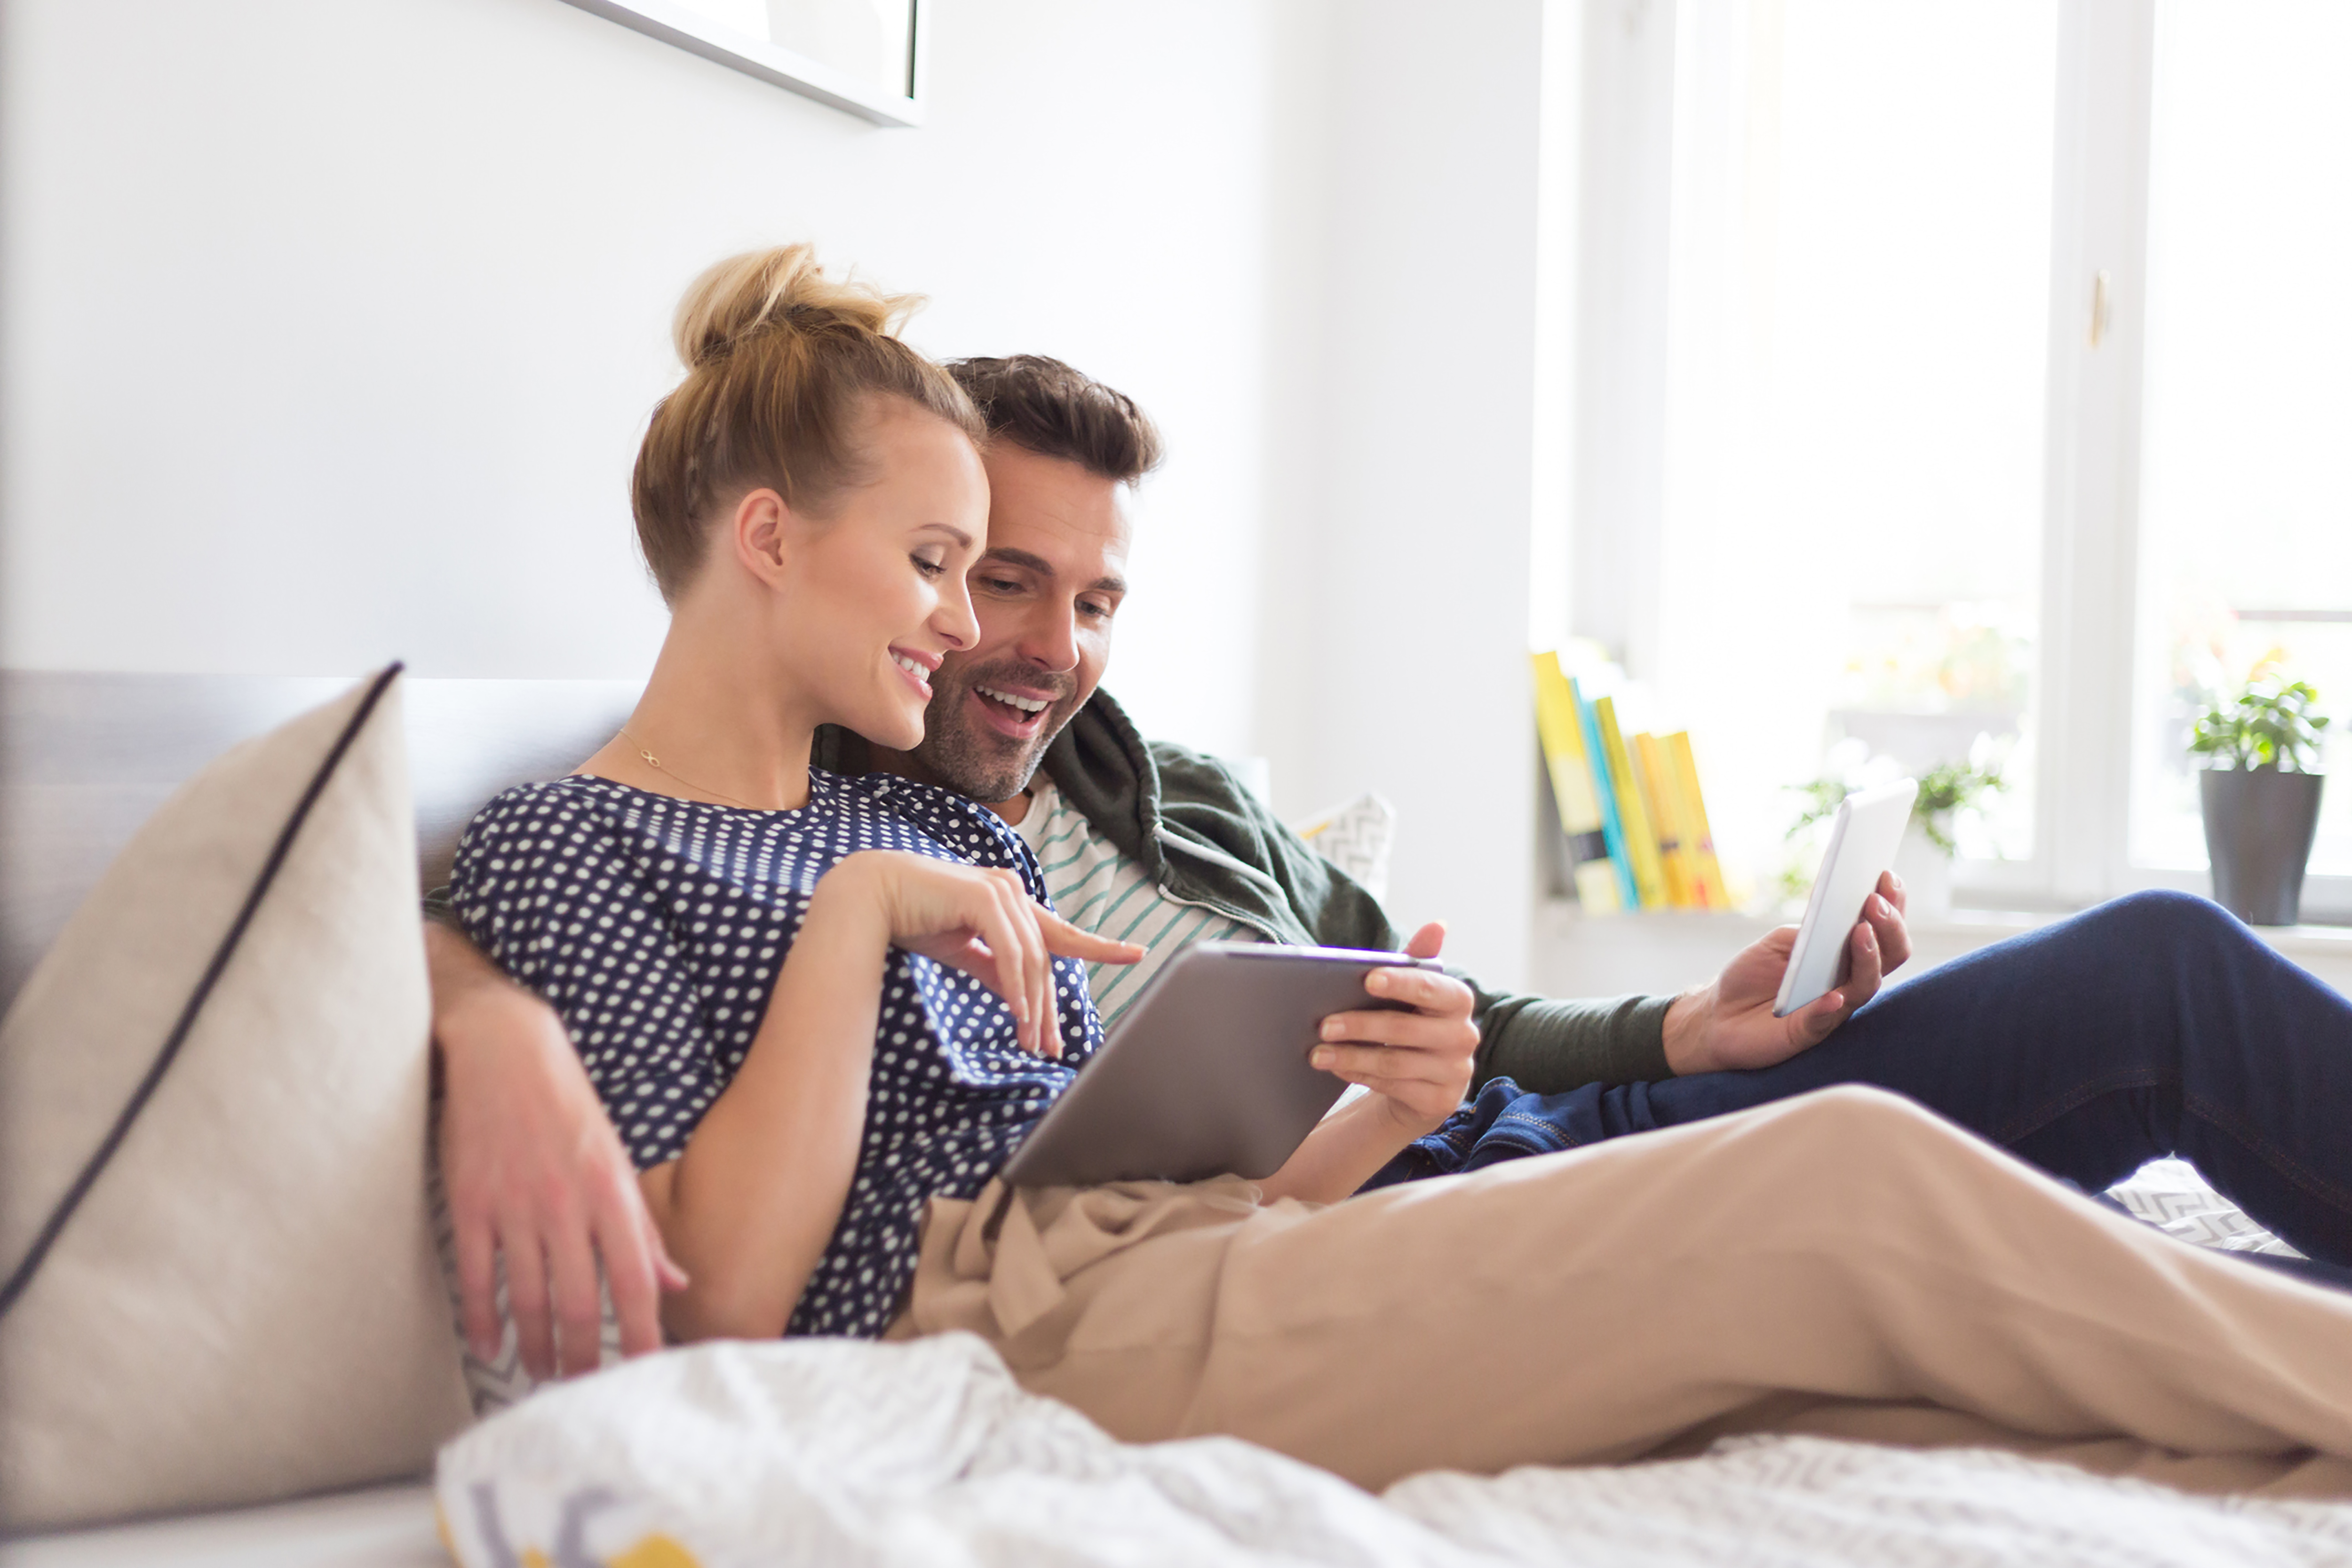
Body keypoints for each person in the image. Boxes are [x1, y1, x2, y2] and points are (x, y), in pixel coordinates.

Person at [437, 244, 2352, 1494]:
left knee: (1928, 1246)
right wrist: (554, 991)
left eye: (1047, 587)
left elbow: (1157, 1175)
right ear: (775, 542)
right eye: (955, 568)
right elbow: (729, 1302)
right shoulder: (603, 841)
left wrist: (1401, 1103)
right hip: (1023, 1315)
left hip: (1249, 1227)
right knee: (1852, 1186)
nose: (975, 626)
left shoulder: (935, 819)